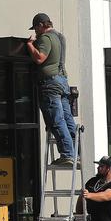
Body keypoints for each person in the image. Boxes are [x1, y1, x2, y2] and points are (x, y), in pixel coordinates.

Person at [26, 13, 79, 166]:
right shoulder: (60, 37)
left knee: (57, 120)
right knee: (68, 119)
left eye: (36, 28)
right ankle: (76, 153)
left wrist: (30, 45)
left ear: (42, 25)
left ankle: (67, 154)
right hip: (62, 82)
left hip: (50, 83)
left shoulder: (46, 38)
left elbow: (40, 58)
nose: (35, 32)